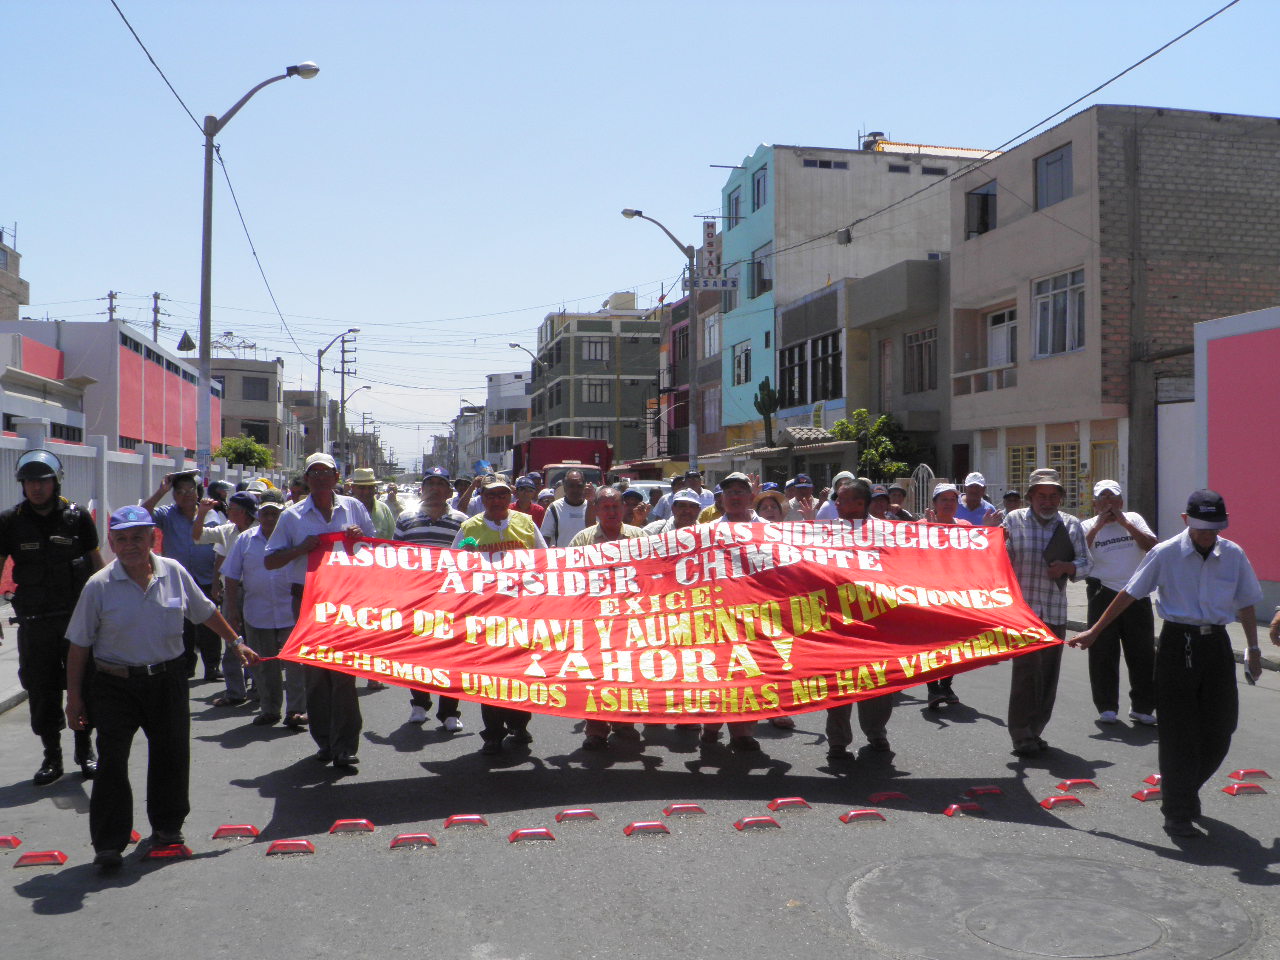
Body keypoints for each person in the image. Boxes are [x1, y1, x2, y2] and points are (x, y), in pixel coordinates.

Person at [64, 505, 257, 871]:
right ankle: (108, 845)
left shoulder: (173, 573)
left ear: (153, 537)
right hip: (114, 683)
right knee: (112, 763)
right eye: (121, 539)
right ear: (112, 543)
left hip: (166, 680)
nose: (130, 545)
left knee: (170, 755)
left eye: (138, 537)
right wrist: (74, 698)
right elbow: (78, 646)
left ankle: (168, 828)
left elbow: (204, 612)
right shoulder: (99, 585)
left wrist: (235, 643)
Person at [1071, 489, 1268, 838]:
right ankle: (1177, 810)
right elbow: (1129, 593)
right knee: (1177, 733)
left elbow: (1247, 603)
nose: (1208, 535)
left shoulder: (1233, 554)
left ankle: (1183, 790)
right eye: (1201, 527)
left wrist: (1253, 649)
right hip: (1178, 644)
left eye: (1214, 528)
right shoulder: (1165, 553)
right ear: (1185, 521)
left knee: (1221, 728)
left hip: (1217, 645)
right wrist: (1095, 631)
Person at [0, 449, 105, 785]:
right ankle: (52, 757)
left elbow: (96, 563)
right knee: (42, 688)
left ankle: (84, 750)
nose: (36, 488)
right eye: (29, 481)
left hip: (76, 621)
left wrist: (108, 609)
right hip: (35, 622)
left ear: (55, 481)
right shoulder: (10, 521)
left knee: (84, 686)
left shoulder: (77, 518)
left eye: (42, 481)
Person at [264, 452, 374, 769]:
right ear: (307, 479)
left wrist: (359, 540)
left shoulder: (353, 507)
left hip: (345, 598)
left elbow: (375, 549)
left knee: (343, 675)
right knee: (315, 675)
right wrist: (301, 549)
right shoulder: (292, 516)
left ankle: (345, 745)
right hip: (308, 599)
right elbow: (270, 560)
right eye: (315, 473)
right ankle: (324, 741)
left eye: (327, 472)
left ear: (337, 477)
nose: (322, 478)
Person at [452, 475, 546, 755]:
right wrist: (465, 557)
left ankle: (519, 724)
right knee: (489, 674)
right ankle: (492, 732)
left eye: (502, 495)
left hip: (521, 611)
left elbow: (544, 559)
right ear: (482, 498)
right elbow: (451, 567)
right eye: (491, 495)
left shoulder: (526, 524)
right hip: (486, 614)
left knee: (519, 672)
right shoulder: (469, 527)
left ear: (510, 497)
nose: (497, 500)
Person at [1002, 467, 1090, 756]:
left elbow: (1087, 564)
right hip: (1023, 611)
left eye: (1053, 495)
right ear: (1030, 497)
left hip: (1054, 610)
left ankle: (1036, 730)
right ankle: (1021, 733)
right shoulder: (1014, 520)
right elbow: (1000, 558)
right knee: (1026, 672)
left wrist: (1068, 568)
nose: (1048, 501)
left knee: (1048, 675)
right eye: (1042, 495)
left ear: (1061, 498)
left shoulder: (1071, 525)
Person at [824, 478, 896, 759]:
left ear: (859, 503)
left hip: (876, 618)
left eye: (842, 499)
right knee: (838, 681)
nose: (837, 504)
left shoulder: (885, 532)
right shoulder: (826, 532)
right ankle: (837, 741)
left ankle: (876, 733)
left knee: (878, 680)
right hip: (838, 618)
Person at [222, 491, 306, 728]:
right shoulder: (245, 540)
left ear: (282, 513)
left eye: (274, 513)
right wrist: (232, 610)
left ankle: (296, 711)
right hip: (257, 611)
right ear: (259, 514)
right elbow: (230, 575)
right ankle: (270, 709)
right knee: (262, 663)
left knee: (295, 664)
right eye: (266, 513)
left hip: (291, 611)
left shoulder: (293, 539)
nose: (270, 518)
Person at [571, 487, 647, 750]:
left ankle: (625, 721)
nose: (612, 512)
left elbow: (652, 575)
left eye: (616, 506)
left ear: (623, 508)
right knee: (596, 675)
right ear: (596, 510)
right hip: (594, 620)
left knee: (628, 672)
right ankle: (596, 729)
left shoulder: (639, 536)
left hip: (630, 619)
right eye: (606, 507)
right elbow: (568, 576)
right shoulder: (582, 540)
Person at [1079, 480, 1158, 725]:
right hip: (1102, 592)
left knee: (1142, 653)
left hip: (1136, 594)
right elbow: (1080, 553)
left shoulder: (1134, 518)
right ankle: (1106, 707)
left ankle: (1143, 707)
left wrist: (1125, 524)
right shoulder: (1087, 525)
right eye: (1102, 499)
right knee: (1103, 651)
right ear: (1095, 504)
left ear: (1121, 502)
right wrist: (1099, 525)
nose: (1108, 504)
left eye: (1112, 499)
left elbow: (1151, 547)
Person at [394, 467, 467, 731]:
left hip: (451, 598)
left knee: (451, 653)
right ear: (422, 489)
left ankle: (449, 711)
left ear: (449, 491)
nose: (435, 488)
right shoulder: (405, 519)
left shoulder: (462, 521)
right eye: (430, 483)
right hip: (416, 598)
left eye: (441, 484)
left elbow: (468, 560)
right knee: (417, 653)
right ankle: (419, 704)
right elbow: (396, 559)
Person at [701, 473, 766, 750]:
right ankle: (711, 727)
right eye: (730, 492)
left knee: (749, 672)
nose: (735, 496)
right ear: (721, 499)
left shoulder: (768, 529)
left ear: (751, 497)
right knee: (717, 672)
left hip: (756, 612)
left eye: (741, 491)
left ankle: (743, 731)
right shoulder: (707, 531)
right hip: (717, 612)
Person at [142, 471, 222, 680]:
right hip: (176, 580)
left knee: (209, 623)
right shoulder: (167, 514)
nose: (186, 495)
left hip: (206, 578)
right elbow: (142, 513)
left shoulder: (211, 513)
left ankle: (212, 666)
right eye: (180, 492)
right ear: (174, 495)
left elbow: (222, 546)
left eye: (190, 490)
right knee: (181, 624)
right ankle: (186, 666)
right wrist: (161, 491)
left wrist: (218, 579)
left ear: (198, 493)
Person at [192, 490, 259, 707]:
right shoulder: (227, 531)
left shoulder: (260, 532)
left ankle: (259, 688)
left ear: (245, 512)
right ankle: (235, 691)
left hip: (255, 591)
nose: (228, 511)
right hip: (231, 590)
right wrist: (201, 513)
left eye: (233, 508)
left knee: (256, 639)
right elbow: (197, 536)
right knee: (232, 638)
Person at [922, 482, 970, 709]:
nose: (949, 504)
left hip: (957, 595)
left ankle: (947, 684)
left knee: (955, 643)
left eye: (953, 499)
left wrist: (990, 530)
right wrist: (930, 532)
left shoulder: (965, 527)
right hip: (928, 595)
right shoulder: (921, 526)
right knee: (930, 643)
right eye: (944, 499)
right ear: (934, 504)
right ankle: (933, 689)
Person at [540, 469, 594, 548]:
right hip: (562, 558)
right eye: (571, 486)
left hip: (586, 558)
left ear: (584, 486)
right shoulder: (554, 508)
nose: (575, 490)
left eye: (579, 486)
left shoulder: (592, 507)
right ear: (564, 487)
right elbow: (545, 537)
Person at [348, 467, 397, 539]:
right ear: (353, 488)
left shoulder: (384, 509)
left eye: (370, 487)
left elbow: (393, 539)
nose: (366, 492)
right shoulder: (345, 510)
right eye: (362, 487)